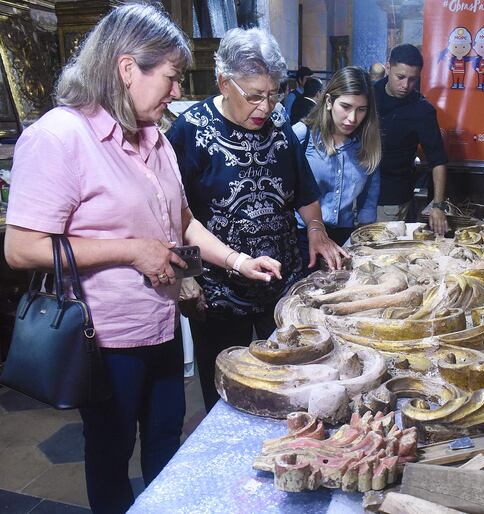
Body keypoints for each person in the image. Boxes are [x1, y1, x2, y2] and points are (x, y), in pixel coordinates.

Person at [2, 5, 280, 513]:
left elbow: (183, 222)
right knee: (110, 451)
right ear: (127, 68)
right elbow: (21, 247)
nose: (177, 91)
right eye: (171, 78)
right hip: (104, 338)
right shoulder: (60, 136)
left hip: (162, 325)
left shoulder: (153, 137)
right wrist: (131, 250)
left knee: (166, 443)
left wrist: (239, 261)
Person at [166, 28, 347, 413]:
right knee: (229, 393)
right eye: (253, 96)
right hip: (217, 292)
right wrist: (186, 276)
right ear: (223, 82)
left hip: (280, 284)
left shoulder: (279, 123)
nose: (264, 107)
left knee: (291, 383)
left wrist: (316, 230)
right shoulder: (189, 133)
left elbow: (304, 189)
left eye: (273, 93)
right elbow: (170, 214)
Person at [292, 66, 381, 267]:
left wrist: (366, 237)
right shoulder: (301, 136)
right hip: (301, 237)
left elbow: (369, 196)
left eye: (361, 110)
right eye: (346, 106)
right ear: (329, 101)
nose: (352, 118)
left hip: (346, 237)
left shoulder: (368, 143)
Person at [374, 44, 449, 235]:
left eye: (413, 79)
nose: (405, 85)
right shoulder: (368, 95)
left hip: (393, 197)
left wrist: (438, 206)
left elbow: (438, 160)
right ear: (388, 67)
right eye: (400, 77)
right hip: (356, 194)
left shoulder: (422, 110)